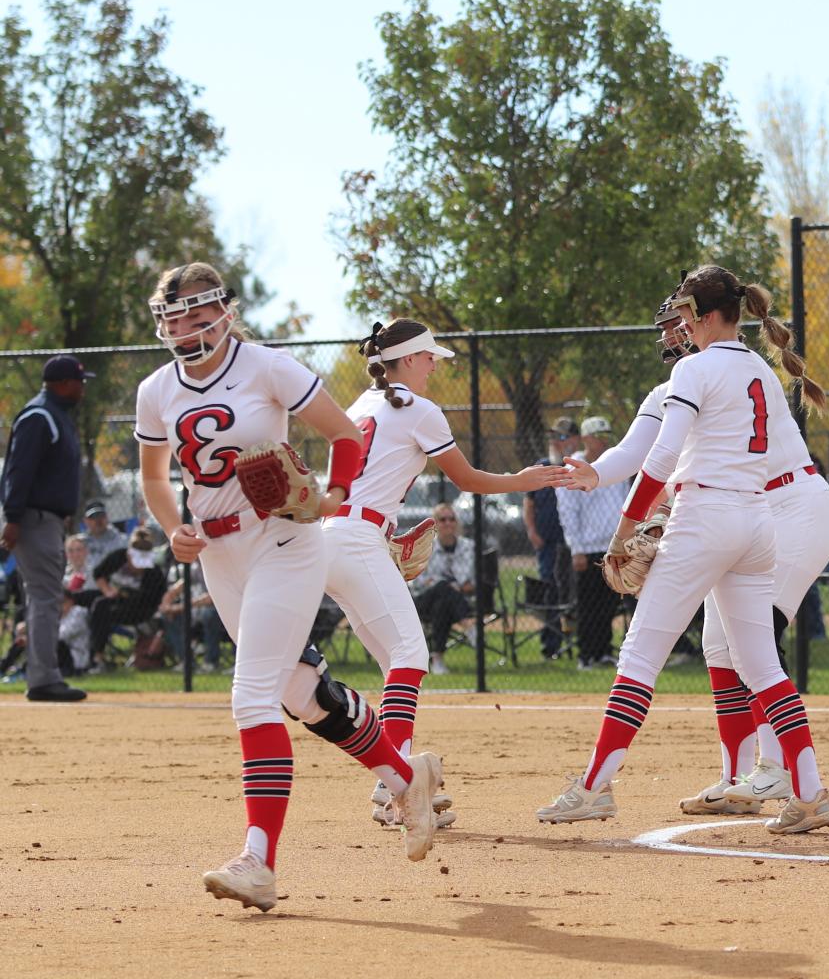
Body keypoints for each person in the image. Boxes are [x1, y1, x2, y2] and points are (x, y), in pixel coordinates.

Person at [132, 261, 443, 912]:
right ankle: (406, 778)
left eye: (196, 312)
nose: (185, 326)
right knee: (300, 694)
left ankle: (258, 861)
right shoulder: (156, 389)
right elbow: (156, 477)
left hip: (285, 539)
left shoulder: (267, 366)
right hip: (220, 553)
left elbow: (345, 433)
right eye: (174, 316)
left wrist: (333, 493)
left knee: (251, 698)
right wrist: (171, 528)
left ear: (223, 312)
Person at [537, 265, 829, 835]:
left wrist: (624, 530)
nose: (677, 324)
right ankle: (809, 791)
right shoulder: (759, 369)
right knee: (761, 663)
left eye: (682, 314)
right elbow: (654, 452)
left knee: (638, 656)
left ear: (698, 316)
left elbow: (658, 460)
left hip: (710, 516)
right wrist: (600, 477)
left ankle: (595, 787)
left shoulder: (695, 370)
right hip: (755, 521)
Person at [324, 318, 569, 824]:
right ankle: (399, 791)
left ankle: (388, 783)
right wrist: (522, 480)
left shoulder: (362, 404)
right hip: (357, 539)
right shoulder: (419, 410)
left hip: (331, 538)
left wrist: (381, 535)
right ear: (409, 359)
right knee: (411, 655)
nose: (434, 364)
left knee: (397, 661)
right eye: (429, 356)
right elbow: (468, 480)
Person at [1, 353, 95, 702]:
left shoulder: (55, 416)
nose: (82, 388)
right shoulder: (40, 416)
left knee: (43, 596)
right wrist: (12, 518)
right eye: (79, 381)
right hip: (33, 518)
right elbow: (18, 470)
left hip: (46, 518)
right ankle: (43, 679)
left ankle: (42, 676)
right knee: (45, 597)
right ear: (62, 384)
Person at [555, 418, 626, 667]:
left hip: (612, 546)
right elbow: (568, 512)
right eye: (599, 435)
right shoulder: (573, 466)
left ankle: (604, 650)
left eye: (606, 435)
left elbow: (624, 502)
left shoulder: (614, 465)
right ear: (586, 438)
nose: (604, 440)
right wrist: (576, 548)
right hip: (586, 548)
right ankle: (586, 655)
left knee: (609, 603)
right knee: (588, 604)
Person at [523, 417, 578, 657]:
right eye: (553, 437)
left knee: (575, 592)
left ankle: (579, 641)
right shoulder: (543, 466)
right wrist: (532, 531)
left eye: (562, 437)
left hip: (575, 544)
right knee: (550, 590)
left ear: (575, 440)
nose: (555, 441)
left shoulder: (580, 467)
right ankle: (551, 646)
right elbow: (529, 502)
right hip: (548, 543)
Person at [407, 503, 480, 674]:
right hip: (424, 599)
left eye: (452, 519)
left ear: (457, 522)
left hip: (453, 601)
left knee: (442, 604)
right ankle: (468, 626)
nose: (448, 523)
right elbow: (416, 581)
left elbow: (471, 580)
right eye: (442, 519)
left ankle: (437, 659)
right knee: (442, 587)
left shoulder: (468, 547)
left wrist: (448, 584)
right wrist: (445, 584)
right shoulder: (425, 547)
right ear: (435, 524)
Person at [88, 527, 167, 668]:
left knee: (101, 607)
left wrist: (125, 593)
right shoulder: (118, 557)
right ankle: (89, 657)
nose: (139, 567)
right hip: (114, 600)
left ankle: (97, 657)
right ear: (129, 555)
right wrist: (108, 591)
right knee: (92, 601)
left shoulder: (154, 572)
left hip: (140, 610)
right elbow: (98, 573)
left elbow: (150, 601)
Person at [79, 500, 126, 569]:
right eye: (93, 517)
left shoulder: (122, 540)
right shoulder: (79, 543)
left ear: (106, 517)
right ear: (85, 521)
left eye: (101, 516)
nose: (98, 520)